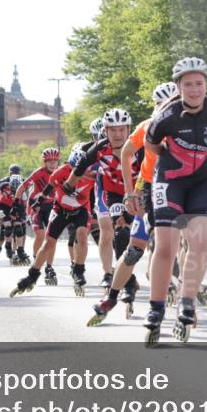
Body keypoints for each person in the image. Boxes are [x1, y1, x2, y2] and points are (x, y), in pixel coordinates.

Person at [141, 57, 207, 346]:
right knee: (166, 246)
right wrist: (173, 156)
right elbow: (151, 145)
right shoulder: (165, 117)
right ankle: (156, 308)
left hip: (203, 180)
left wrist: (204, 151)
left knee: (201, 244)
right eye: (188, 84)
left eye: (200, 84)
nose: (195, 90)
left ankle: (187, 300)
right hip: (169, 179)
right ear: (179, 87)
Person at [88, 82, 174, 326]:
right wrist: (130, 192)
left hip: (178, 190)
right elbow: (126, 154)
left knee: (175, 244)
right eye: (160, 105)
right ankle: (112, 298)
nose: (165, 108)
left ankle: (186, 295)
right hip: (148, 189)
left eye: (170, 104)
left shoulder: (192, 126)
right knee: (133, 248)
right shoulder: (147, 126)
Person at [10, 146, 96, 298]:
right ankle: (33, 275)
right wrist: (38, 202)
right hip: (60, 209)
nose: (75, 175)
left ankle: (78, 271)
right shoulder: (61, 171)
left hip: (81, 209)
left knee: (82, 237)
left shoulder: (92, 174)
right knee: (48, 243)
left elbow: (100, 190)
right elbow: (48, 188)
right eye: (72, 170)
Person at [65, 108, 133, 290]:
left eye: (121, 130)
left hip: (132, 189)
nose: (116, 136)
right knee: (108, 232)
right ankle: (108, 273)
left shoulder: (134, 146)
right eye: (111, 131)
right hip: (105, 191)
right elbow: (75, 168)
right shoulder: (93, 149)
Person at [18, 147, 61, 285]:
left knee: (51, 239)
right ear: (44, 162)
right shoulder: (38, 173)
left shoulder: (61, 173)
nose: (52, 164)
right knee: (41, 235)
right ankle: (37, 259)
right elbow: (22, 187)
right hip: (35, 207)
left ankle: (49, 267)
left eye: (54, 161)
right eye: (49, 161)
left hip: (51, 207)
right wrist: (16, 203)